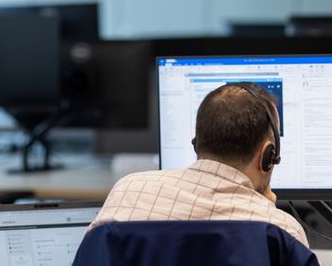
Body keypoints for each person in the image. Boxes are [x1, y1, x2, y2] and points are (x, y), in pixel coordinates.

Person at [90, 82, 308, 247]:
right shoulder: (281, 231)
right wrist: (266, 209)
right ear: (268, 155)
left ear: (197, 144)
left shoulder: (127, 193)